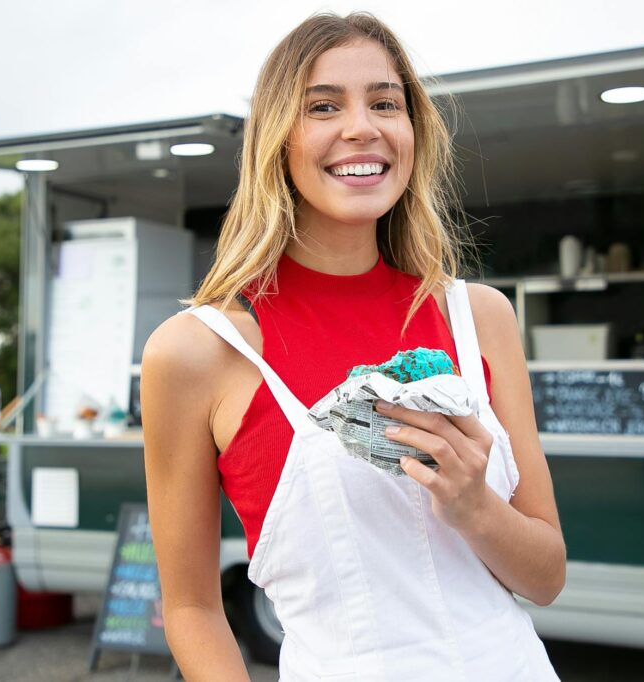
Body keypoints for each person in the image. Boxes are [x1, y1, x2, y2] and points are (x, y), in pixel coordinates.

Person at [141, 11, 565, 680]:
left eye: (385, 103)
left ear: (413, 134)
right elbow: (192, 609)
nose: (362, 126)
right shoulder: (198, 352)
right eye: (323, 106)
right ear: (278, 140)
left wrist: (476, 507)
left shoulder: (479, 317)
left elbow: (545, 578)